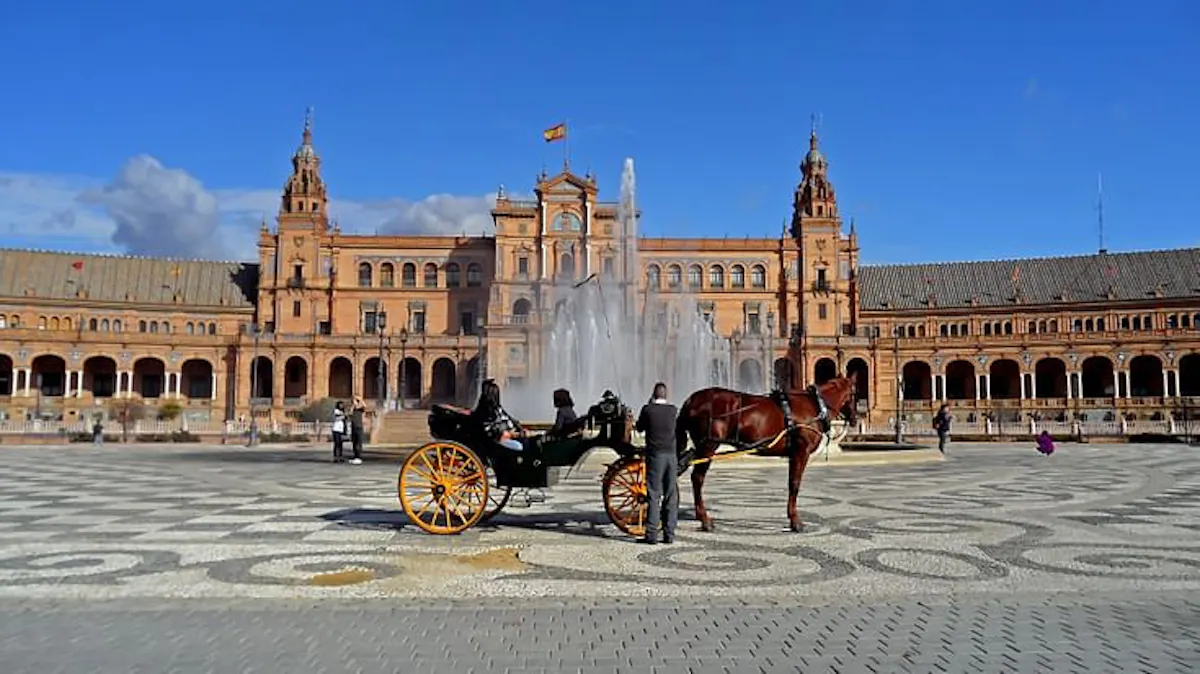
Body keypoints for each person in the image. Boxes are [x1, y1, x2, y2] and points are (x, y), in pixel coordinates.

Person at [636, 382, 679, 545]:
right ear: (666, 395)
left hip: (655, 455)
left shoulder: (648, 409)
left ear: (653, 394)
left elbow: (639, 428)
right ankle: (669, 534)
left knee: (654, 494)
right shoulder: (673, 410)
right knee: (670, 495)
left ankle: (652, 534)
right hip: (671, 456)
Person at [473, 379, 523, 451]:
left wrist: (518, 426)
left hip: (505, 435)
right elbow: (489, 429)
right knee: (519, 446)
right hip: (496, 442)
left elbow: (508, 418)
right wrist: (506, 433)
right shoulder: (486, 412)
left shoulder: (495, 408)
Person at [347, 397, 365, 465]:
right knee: (354, 443)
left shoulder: (360, 409)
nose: (353, 402)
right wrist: (353, 405)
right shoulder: (352, 409)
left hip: (359, 427)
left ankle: (359, 457)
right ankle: (355, 457)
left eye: (354, 401)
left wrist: (360, 399)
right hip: (353, 427)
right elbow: (350, 413)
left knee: (359, 443)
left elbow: (364, 405)